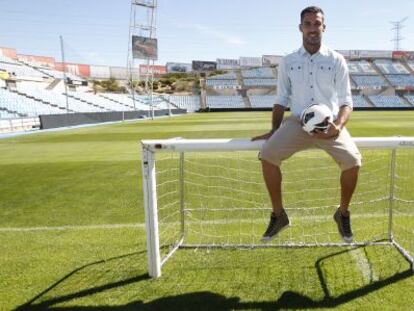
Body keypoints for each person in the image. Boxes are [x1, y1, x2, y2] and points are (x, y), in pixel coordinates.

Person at [252, 6, 361, 243]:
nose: (313, 28)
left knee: (353, 162)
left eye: (317, 24)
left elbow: (346, 101)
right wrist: (274, 130)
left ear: (324, 27)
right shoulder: (289, 61)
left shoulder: (336, 60)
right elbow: (281, 99)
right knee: (268, 154)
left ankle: (342, 214)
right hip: (298, 123)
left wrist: (339, 127)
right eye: (308, 24)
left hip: (329, 125)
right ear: (300, 28)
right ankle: (278, 215)